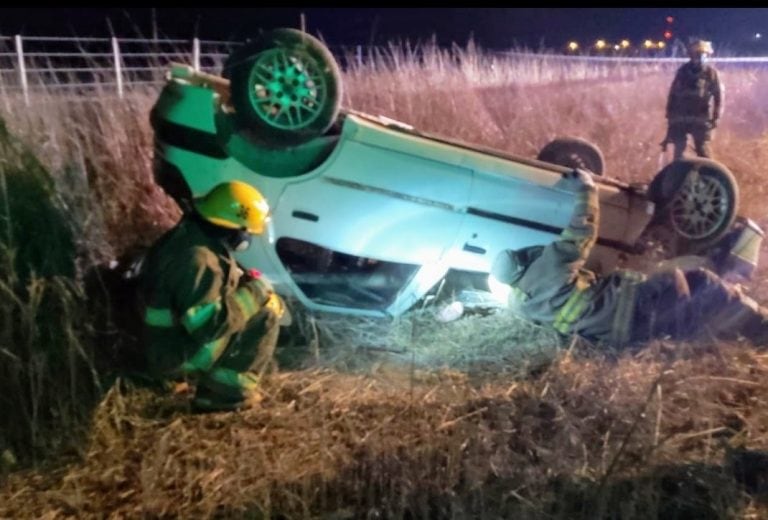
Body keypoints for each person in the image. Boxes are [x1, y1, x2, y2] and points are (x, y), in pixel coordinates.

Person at [490, 169, 768, 348]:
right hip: (632, 305)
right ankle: (761, 327)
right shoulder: (549, 264)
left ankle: (730, 336)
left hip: (619, 335)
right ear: (521, 260)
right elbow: (582, 228)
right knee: (704, 284)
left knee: (688, 321)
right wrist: (586, 187)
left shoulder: (519, 303)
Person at [140, 180, 286, 412]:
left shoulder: (191, 237)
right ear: (234, 229)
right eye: (247, 231)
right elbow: (208, 326)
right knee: (268, 310)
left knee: (257, 301)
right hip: (172, 356)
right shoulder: (199, 261)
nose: (248, 237)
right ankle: (224, 395)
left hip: (161, 343)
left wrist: (242, 282)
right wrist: (256, 291)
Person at [662, 39, 723, 160]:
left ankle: (709, 176)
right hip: (681, 116)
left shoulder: (711, 73)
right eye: (697, 54)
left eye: (703, 54)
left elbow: (718, 97)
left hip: (701, 118)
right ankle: (679, 175)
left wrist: (716, 117)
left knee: (702, 149)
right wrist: (670, 114)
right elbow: (673, 94)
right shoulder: (683, 71)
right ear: (691, 55)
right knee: (679, 149)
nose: (700, 57)